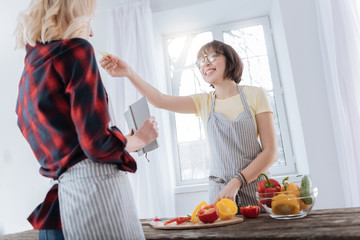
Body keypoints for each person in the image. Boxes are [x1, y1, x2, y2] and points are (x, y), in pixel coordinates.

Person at [15, 0, 158, 239]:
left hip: (66, 200)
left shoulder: (30, 69)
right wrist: (139, 140)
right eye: (89, 21)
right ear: (74, 15)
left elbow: (73, 141)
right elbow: (97, 144)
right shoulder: (76, 50)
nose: (91, 32)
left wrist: (121, 139)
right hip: (97, 193)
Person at [99, 40, 278, 210]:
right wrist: (129, 72)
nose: (205, 64)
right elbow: (160, 100)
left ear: (230, 58)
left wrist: (237, 181)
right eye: (200, 61)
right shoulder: (204, 102)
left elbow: (270, 153)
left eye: (212, 56)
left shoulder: (254, 95)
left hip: (256, 190)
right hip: (220, 194)